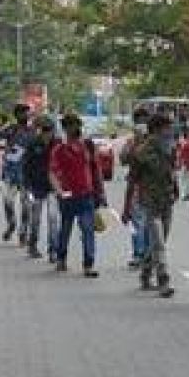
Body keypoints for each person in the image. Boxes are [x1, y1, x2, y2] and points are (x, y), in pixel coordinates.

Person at [124, 113, 178, 297]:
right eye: (166, 128)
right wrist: (126, 209)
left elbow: (172, 172)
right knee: (159, 244)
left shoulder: (170, 148)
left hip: (167, 202)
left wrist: (175, 189)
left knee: (159, 242)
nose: (170, 132)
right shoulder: (141, 152)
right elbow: (132, 181)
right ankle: (164, 280)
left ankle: (146, 272)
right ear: (156, 130)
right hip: (150, 203)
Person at [49, 113, 106, 278]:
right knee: (65, 229)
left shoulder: (88, 146)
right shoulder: (59, 149)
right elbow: (52, 172)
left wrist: (101, 193)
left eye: (78, 125)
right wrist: (59, 191)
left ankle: (88, 264)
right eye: (73, 125)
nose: (77, 128)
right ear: (66, 128)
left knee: (88, 229)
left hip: (86, 195)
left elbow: (96, 170)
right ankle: (61, 258)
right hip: (67, 196)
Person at [22, 116, 61, 261]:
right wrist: (26, 186)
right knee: (36, 218)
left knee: (52, 218)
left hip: (53, 186)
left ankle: (53, 250)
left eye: (49, 130)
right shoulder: (33, 144)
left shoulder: (58, 144)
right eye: (44, 130)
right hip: (36, 186)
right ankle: (32, 245)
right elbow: (26, 166)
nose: (47, 133)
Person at [0, 103, 34, 245]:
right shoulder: (10, 129)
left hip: (26, 175)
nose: (26, 115)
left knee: (26, 205)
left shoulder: (33, 131)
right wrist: (4, 147)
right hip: (10, 173)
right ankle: (11, 224)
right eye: (23, 113)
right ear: (16, 115)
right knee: (8, 201)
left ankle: (23, 230)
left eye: (27, 113)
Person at [120, 107, 151, 269]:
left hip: (152, 188)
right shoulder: (131, 141)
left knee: (148, 224)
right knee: (137, 222)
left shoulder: (156, 141)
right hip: (136, 186)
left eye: (144, 121)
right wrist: (134, 143)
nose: (142, 124)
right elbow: (123, 159)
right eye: (139, 121)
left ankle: (146, 254)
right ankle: (138, 253)